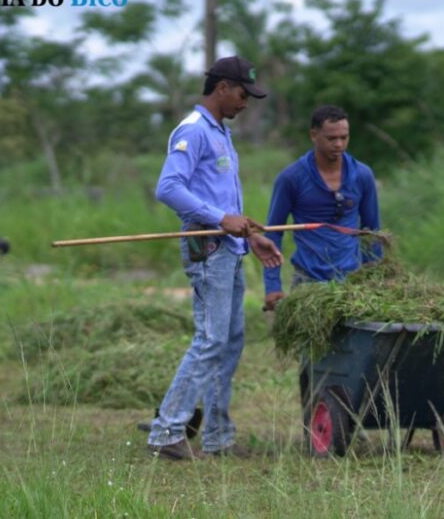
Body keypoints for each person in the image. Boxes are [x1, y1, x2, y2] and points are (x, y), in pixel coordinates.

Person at [147, 56, 283, 461]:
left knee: (229, 342)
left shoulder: (221, 132)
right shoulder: (193, 131)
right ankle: (167, 431)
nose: (246, 103)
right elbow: (168, 188)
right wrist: (220, 219)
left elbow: (224, 199)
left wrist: (250, 236)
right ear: (222, 87)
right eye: (243, 94)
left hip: (229, 248)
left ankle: (217, 437)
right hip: (207, 249)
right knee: (210, 340)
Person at [262, 105, 381, 311]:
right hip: (307, 281)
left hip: (352, 282)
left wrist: (376, 280)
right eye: (331, 138)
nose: (339, 144)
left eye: (344, 138)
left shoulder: (362, 175)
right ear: (314, 135)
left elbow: (371, 232)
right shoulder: (291, 178)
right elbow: (272, 234)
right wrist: (272, 286)